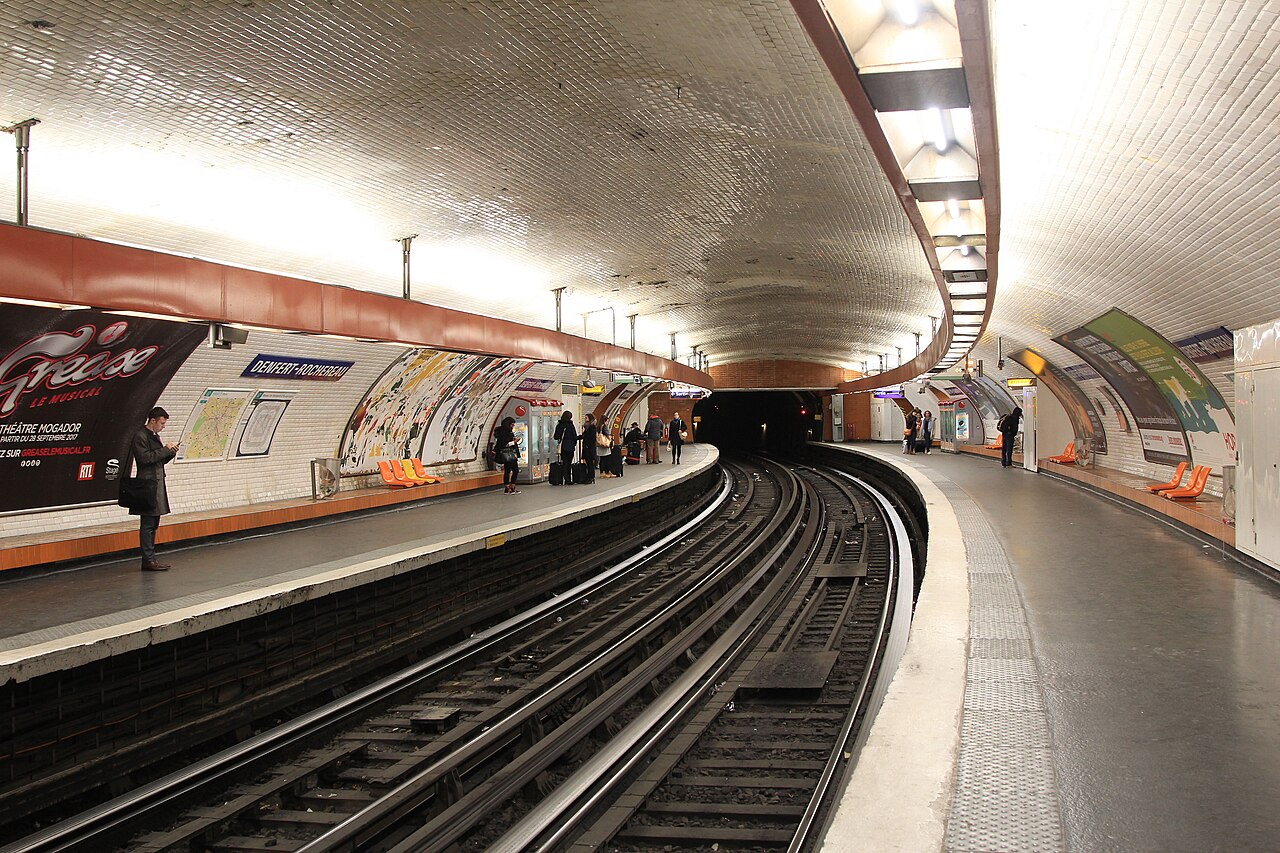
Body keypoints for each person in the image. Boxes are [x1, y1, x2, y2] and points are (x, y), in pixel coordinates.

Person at [129, 406, 180, 571]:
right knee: (148, 524)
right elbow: (144, 459)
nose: (163, 426)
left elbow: (158, 460)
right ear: (153, 420)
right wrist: (164, 450)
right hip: (147, 484)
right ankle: (147, 560)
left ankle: (151, 558)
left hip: (156, 482)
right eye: (162, 423)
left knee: (154, 523)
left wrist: (170, 453)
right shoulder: (140, 436)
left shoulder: (154, 436)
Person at [492, 416, 521, 494]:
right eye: (512, 424)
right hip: (510, 454)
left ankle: (507, 488)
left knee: (507, 471)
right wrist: (514, 442)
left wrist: (495, 450)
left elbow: (499, 444)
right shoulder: (506, 432)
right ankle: (512, 487)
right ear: (508, 424)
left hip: (507, 455)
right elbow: (505, 444)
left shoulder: (503, 432)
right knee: (515, 470)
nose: (513, 426)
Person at [553, 411, 578, 484]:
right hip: (570, 447)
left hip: (562, 447)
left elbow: (555, 436)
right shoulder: (570, 425)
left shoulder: (559, 425)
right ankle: (568, 480)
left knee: (564, 463)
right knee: (569, 463)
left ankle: (564, 478)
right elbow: (574, 437)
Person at [580, 414, 599, 482]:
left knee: (590, 463)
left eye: (586, 418)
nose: (585, 419)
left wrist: (588, 445)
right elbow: (584, 436)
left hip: (589, 448)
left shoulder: (592, 427)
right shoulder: (587, 427)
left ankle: (591, 477)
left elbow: (592, 438)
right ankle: (589, 476)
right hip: (587, 448)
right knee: (588, 463)